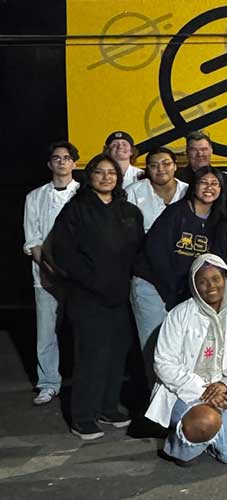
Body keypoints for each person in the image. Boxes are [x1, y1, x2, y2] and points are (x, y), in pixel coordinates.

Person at [50, 153, 144, 440]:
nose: (106, 177)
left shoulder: (129, 211)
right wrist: (92, 281)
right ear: (89, 176)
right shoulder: (76, 209)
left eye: (111, 172)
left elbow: (138, 251)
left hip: (121, 295)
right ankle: (83, 416)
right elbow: (63, 252)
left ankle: (107, 407)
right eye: (99, 172)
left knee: (116, 353)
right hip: (87, 295)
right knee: (91, 356)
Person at [145, 254, 227, 466]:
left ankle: (204, 438)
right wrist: (203, 390)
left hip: (226, 392)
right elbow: (164, 362)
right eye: (203, 281)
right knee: (205, 421)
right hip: (185, 391)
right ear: (194, 285)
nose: (211, 286)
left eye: (216, 279)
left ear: (226, 279)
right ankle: (181, 447)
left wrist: (225, 384)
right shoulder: (179, 314)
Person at [23, 141, 81, 405]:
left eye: (66, 158)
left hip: (80, 277)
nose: (62, 162)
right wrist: (48, 268)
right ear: (49, 164)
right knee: (46, 333)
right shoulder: (35, 197)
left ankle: (83, 383)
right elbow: (32, 239)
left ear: (74, 163)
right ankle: (48, 383)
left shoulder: (84, 195)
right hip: (45, 276)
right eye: (57, 158)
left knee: (82, 332)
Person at [126, 147, 189, 351]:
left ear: (175, 166)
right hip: (148, 276)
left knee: (183, 343)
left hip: (182, 278)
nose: (160, 169)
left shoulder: (188, 191)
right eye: (154, 165)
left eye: (166, 164)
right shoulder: (133, 192)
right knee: (152, 343)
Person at [144, 166, 226, 310]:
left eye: (214, 183)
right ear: (194, 186)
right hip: (154, 285)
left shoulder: (221, 219)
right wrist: (172, 291)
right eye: (204, 182)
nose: (209, 187)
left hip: (187, 291)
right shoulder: (175, 213)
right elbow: (157, 253)